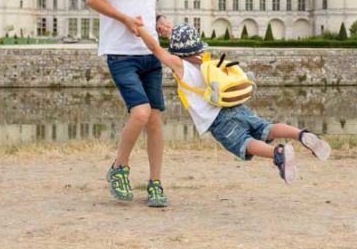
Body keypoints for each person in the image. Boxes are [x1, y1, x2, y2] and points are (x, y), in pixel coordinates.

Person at [136, 23, 331, 184]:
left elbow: (156, 49)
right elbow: (184, 42)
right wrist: (169, 32)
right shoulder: (205, 60)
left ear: (176, 51)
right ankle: (302, 134)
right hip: (236, 106)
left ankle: (277, 153)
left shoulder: (181, 66)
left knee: (244, 143)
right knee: (267, 128)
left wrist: (140, 29)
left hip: (218, 119)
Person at [86, 0, 175, 207]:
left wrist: (158, 20)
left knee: (155, 120)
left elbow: (140, 7)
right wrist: (123, 19)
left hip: (149, 54)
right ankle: (118, 167)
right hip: (122, 54)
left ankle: (155, 182)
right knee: (141, 113)